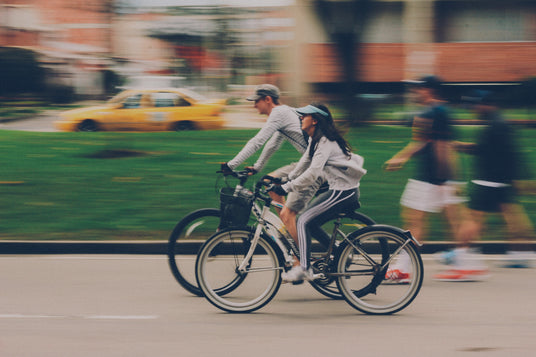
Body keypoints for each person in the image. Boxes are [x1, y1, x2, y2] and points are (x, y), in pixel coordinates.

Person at [383, 75, 484, 283]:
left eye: (418, 89)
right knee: (445, 221)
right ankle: (466, 264)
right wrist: (401, 158)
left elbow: (440, 146)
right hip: (438, 178)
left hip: (434, 178)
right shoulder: (438, 111)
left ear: (429, 90)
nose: (415, 92)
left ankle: (405, 268)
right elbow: (425, 142)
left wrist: (442, 179)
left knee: (420, 220)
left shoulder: (435, 112)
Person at [269, 103, 367, 283]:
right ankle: (339, 252)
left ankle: (304, 269)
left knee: (303, 221)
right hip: (339, 191)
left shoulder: (325, 142)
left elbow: (312, 174)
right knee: (310, 223)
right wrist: (285, 179)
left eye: (304, 116)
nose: (300, 118)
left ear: (314, 120)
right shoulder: (316, 140)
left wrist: (286, 188)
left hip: (343, 193)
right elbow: (303, 164)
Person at [445, 90, 535, 271]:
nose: (473, 110)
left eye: (475, 105)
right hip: (500, 181)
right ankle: (520, 255)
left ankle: (460, 255)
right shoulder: (498, 122)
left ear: (486, 104)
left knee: (473, 218)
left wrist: (460, 147)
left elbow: (503, 153)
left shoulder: (496, 125)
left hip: (488, 181)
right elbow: (495, 150)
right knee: (514, 217)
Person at [221, 84, 324, 242]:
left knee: (288, 213)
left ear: (268, 99)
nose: (254, 105)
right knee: (269, 181)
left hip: (316, 167)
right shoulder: (284, 112)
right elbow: (273, 144)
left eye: (256, 101)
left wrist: (231, 165)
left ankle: (300, 258)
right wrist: (257, 167)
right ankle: (287, 231)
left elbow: (258, 141)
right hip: (308, 162)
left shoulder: (278, 113)